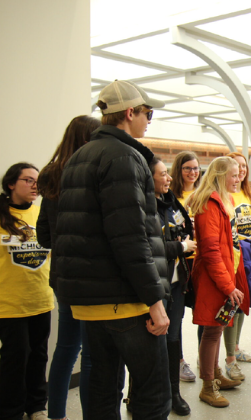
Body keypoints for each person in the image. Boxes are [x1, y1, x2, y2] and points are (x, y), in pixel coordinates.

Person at [54, 80, 172, 420]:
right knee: (152, 394)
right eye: (148, 113)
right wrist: (154, 301)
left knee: (103, 390)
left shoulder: (80, 156)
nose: (149, 120)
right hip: (127, 302)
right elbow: (130, 237)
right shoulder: (124, 156)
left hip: (92, 305)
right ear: (130, 113)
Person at [35, 115, 101, 420]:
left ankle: (56, 415)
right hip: (90, 278)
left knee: (64, 349)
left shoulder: (49, 173)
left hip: (61, 277)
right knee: (90, 355)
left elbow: (44, 237)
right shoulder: (90, 172)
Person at [188, 156, 246, 408]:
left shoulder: (225, 200)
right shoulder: (209, 204)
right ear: (220, 175)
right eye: (234, 174)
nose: (239, 178)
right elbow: (211, 251)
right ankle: (208, 386)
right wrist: (227, 286)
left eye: (240, 174)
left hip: (222, 275)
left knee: (216, 328)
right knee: (212, 332)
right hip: (214, 278)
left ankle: (216, 377)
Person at [0, 163, 52, 420]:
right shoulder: (1, 215)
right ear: (11, 184)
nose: (35, 186)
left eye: (37, 181)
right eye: (28, 180)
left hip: (41, 300)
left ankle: (36, 406)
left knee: (39, 356)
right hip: (9, 303)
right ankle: (11, 410)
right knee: (14, 360)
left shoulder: (42, 213)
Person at [151, 157, 196, 416]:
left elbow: (185, 228)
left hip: (177, 282)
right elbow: (150, 248)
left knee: (173, 338)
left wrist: (182, 240)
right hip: (156, 285)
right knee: (152, 343)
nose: (168, 179)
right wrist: (180, 246)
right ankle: (143, 396)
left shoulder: (172, 205)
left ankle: (173, 393)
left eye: (168, 174)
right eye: (162, 174)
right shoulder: (144, 207)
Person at [220, 151, 251, 379]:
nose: (241, 170)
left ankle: (236, 349)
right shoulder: (223, 196)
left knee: (243, 305)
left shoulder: (250, 195)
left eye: (244, 166)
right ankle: (229, 359)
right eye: (237, 167)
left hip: (250, 259)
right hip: (231, 259)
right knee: (231, 306)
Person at [169, 150, 201, 382]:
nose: (193, 172)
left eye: (196, 168)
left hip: (200, 262)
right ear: (178, 171)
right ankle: (179, 361)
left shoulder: (202, 195)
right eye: (187, 168)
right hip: (179, 264)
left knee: (204, 313)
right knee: (176, 316)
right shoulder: (170, 198)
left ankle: (205, 357)